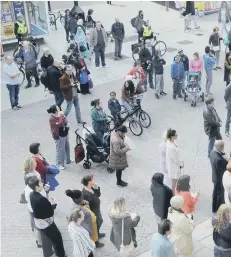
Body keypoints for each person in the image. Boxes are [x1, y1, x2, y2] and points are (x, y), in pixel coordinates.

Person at [28, 177, 66, 257]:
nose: (42, 183)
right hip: (47, 224)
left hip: (39, 222)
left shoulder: (31, 194)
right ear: (37, 187)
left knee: (50, 239)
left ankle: (51, 253)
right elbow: (50, 213)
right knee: (57, 239)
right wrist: (53, 204)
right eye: (40, 183)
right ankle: (61, 255)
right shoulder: (41, 199)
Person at [47, 105, 72, 170]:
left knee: (67, 146)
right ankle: (59, 164)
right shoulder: (52, 118)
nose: (60, 109)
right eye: (58, 108)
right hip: (59, 135)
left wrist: (67, 122)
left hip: (64, 133)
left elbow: (65, 120)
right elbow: (60, 124)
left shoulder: (60, 115)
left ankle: (68, 160)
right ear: (55, 111)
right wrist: (63, 119)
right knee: (60, 149)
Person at [81, 175, 105, 240]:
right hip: (93, 211)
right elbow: (86, 205)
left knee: (100, 221)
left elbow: (98, 195)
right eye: (92, 180)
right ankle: (95, 239)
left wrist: (96, 187)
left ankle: (97, 234)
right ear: (89, 182)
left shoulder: (91, 187)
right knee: (96, 223)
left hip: (97, 209)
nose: (94, 180)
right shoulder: (85, 194)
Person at [210, 140, 229, 213]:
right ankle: (219, 210)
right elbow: (224, 171)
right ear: (220, 147)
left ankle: (214, 208)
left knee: (215, 194)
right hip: (219, 180)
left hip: (215, 177)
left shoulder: (212, 152)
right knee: (220, 196)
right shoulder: (219, 160)